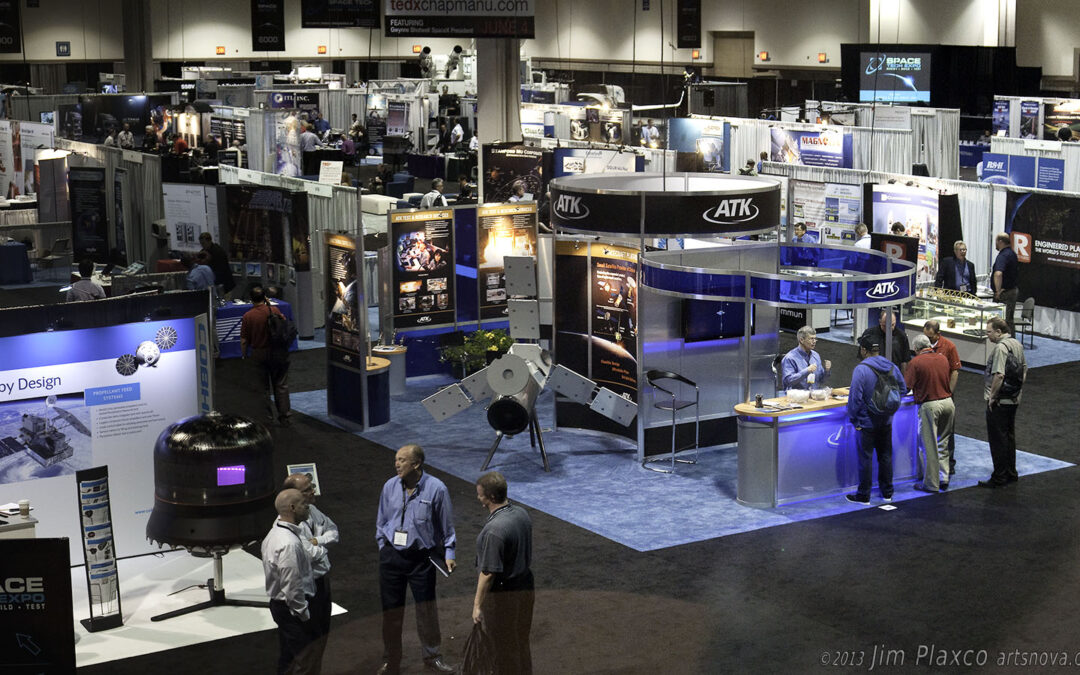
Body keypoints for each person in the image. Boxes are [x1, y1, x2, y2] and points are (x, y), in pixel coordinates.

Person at [376, 444, 456, 675]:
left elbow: (446, 527)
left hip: (421, 559)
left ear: (416, 464)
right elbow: (381, 521)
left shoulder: (437, 489)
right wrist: (383, 546)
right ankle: (391, 660)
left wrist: (449, 553)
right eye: (396, 460)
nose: (396, 464)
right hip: (391, 558)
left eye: (402, 460)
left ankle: (432, 656)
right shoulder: (389, 486)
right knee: (391, 612)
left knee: (426, 611)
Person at [472, 471, 534, 675]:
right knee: (520, 639)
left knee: (502, 647)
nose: (478, 498)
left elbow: (488, 573)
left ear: (489, 498)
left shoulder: (494, 531)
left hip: (503, 596)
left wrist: (477, 606)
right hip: (525, 586)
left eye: (480, 494)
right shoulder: (521, 513)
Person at [262, 488, 319, 675]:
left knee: (288, 657)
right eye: (303, 504)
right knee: (306, 660)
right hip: (292, 610)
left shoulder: (274, 533)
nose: (308, 507)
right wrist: (303, 614)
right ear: (293, 508)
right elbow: (292, 585)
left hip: (282, 607)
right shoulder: (289, 543)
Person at [283, 473, 338, 665]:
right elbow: (311, 554)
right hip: (308, 589)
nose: (313, 490)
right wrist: (323, 545)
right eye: (307, 489)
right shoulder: (290, 525)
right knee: (303, 647)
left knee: (322, 635)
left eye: (311, 486)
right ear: (294, 496)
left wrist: (317, 541)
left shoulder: (313, 510)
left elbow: (334, 532)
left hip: (322, 583)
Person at [846, 331, 905, 504]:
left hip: (866, 422)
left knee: (865, 458)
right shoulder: (891, 366)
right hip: (886, 421)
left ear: (864, 350)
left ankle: (864, 495)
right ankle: (887, 493)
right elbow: (903, 388)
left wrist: (854, 419)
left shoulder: (861, 370)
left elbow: (855, 399)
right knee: (885, 456)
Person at [905, 333, 956, 493]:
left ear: (916, 348)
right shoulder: (942, 358)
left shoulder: (916, 362)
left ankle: (931, 483)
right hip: (948, 402)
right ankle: (943, 477)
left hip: (930, 405)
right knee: (943, 443)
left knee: (929, 445)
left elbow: (906, 387)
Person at [980, 316, 1027, 488]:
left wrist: (992, 397)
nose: (988, 336)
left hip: (1000, 401)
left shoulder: (1001, 348)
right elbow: (1024, 370)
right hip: (1014, 399)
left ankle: (999, 476)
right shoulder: (1017, 344)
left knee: (998, 439)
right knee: (1009, 436)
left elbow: (999, 375)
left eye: (989, 332)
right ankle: (1011, 472)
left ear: (999, 332)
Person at [240, 286, 292, 426]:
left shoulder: (248, 316)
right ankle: (285, 417)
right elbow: (284, 324)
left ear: (251, 299)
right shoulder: (274, 310)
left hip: (259, 354)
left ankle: (267, 419)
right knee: (281, 385)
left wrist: (244, 355)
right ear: (265, 297)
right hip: (278, 353)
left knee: (263, 388)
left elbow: (244, 340)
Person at [923, 319, 962, 476]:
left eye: (930, 337)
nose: (928, 340)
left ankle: (949, 463)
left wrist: (949, 392)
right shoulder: (924, 346)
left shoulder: (949, 346)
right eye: (926, 337)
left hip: (945, 394)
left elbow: (955, 371)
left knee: (947, 430)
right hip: (929, 393)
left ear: (938, 334)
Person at [991, 233, 1020, 334]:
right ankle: (1012, 344)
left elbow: (998, 274)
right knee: (1009, 321)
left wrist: (998, 291)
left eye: (996, 241)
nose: (995, 244)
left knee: (1002, 322)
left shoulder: (1003, 255)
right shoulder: (1012, 254)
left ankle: (1006, 345)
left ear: (1000, 242)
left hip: (1005, 293)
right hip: (1012, 290)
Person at [199, 231, 236, 296]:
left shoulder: (218, 252)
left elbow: (221, 270)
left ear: (209, 241)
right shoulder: (204, 251)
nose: (202, 245)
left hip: (224, 283)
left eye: (203, 243)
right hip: (216, 282)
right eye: (201, 244)